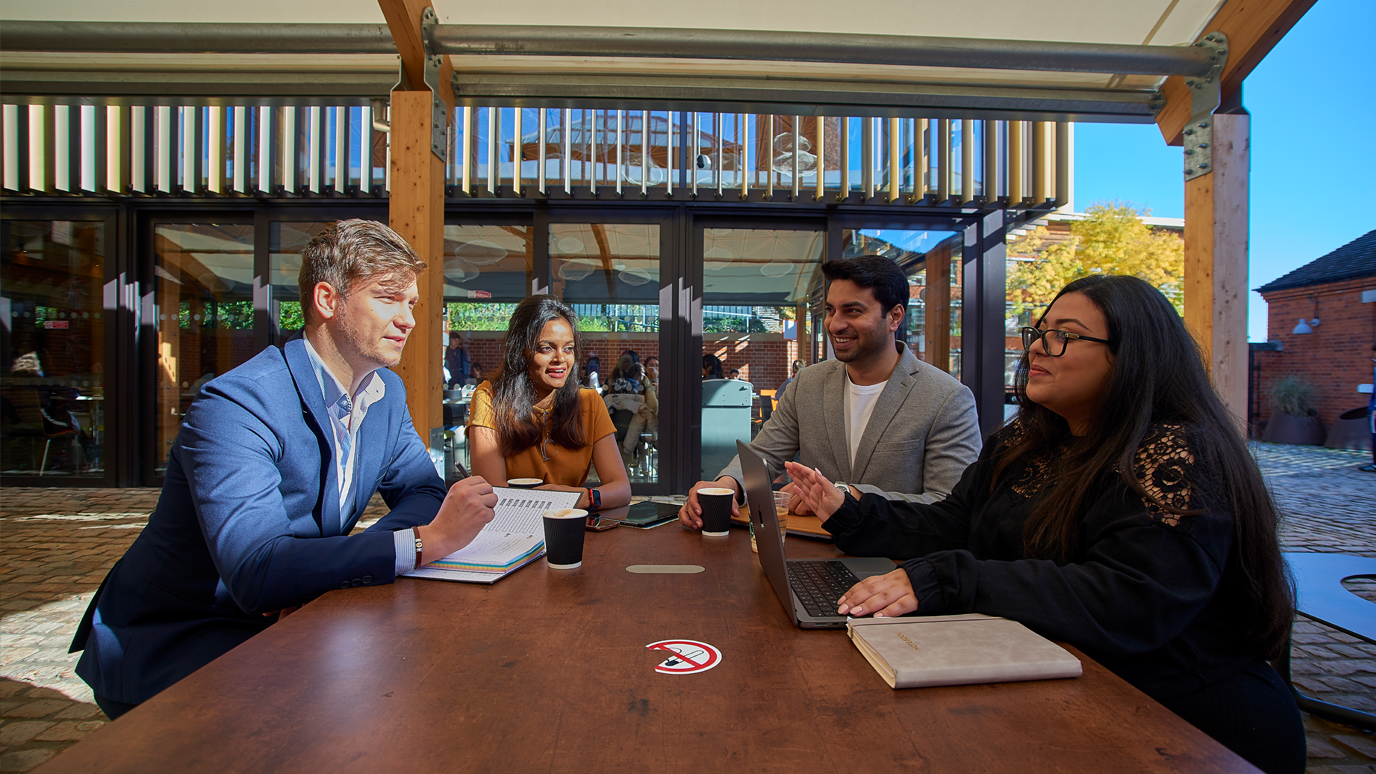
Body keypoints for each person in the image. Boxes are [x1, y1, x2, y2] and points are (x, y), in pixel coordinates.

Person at [786, 275, 1304, 774]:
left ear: (1132, 356)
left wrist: (948, 578)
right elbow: (951, 523)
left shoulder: (1174, 451)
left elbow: (1130, 599)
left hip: (1178, 716)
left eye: (1065, 337)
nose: (1037, 348)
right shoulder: (1025, 442)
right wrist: (850, 512)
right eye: (1040, 332)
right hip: (1055, 679)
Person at [70, 220, 498, 719]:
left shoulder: (385, 393)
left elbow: (423, 492)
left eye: (412, 304)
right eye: (388, 298)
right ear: (326, 300)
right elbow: (256, 569)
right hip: (183, 634)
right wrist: (422, 544)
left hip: (288, 618)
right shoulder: (237, 403)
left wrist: (318, 577)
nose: (408, 319)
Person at [680, 255, 981, 527]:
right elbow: (764, 453)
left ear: (895, 317)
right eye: (830, 310)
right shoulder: (807, 383)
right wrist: (727, 484)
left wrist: (846, 495)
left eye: (852, 311)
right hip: (810, 552)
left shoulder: (947, 398)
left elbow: (951, 506)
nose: (835, 324)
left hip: (897, 565)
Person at [467, 295, 630, 512]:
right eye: (546, 348)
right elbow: (495, 494)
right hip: (513, 528)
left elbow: (621, 490)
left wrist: (582, 497)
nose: (560, 358)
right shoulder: (489, 397)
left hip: (570, 524)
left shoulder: (589, 402)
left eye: (568, 348)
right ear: (520, 350)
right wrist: (551, 501)